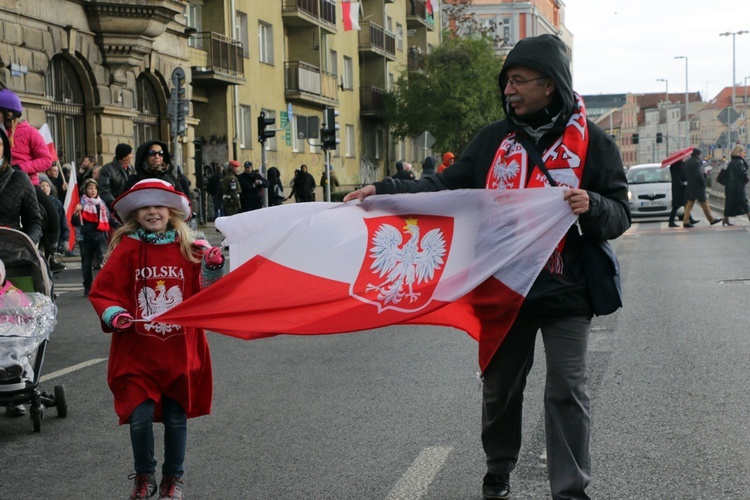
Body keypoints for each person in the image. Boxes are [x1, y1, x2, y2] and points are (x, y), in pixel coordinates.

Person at [344, 34, 630, 500]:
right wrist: (385, 190)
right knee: (501, 390)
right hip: (504, 287)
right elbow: (445, 186)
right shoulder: (493, 140)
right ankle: (499, 470)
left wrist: (593, 204)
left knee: (568, 391)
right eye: (507, 82)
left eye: (519, 80)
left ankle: (571, 491)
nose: (510, 90)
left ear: (550, 85)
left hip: (567, 290)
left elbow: (619, 214)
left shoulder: (594, 144)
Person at [88, 178, 224, 500]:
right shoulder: (127, 249)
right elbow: (104, 292)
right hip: (137, 351)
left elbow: (206, 292)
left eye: (158, 205)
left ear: (171, 211)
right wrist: (115, 314)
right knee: (139, 416)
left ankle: (172, 479)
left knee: (176, 418)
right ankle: (144, 475)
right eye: (145, 207)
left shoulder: (188, 248)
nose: (152, 211)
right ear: (135, 214)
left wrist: (212, 267)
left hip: (178, 349)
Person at [0, 125, 43, 418]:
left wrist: (27, 245)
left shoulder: (18, 180)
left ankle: (14, 383)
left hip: (12, 260)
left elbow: (34, 219)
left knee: (14, 326)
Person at [0, 88, 60, 264]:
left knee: (51, 214)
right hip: (3, 180)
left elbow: (46, 160)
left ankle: (52, 253)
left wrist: (21, 168)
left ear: (8, 113)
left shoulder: (31, 133)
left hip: (25, 183)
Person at [72, 178, 109, 296]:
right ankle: (87, 286)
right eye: (90, 188)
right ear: (85, 190)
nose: (92, 191)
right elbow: (74, 222)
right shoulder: (80, 203)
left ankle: (103, 286)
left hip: (100, 236)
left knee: (103, 262)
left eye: (94, 188)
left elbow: (108, 218)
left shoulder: (100, 203)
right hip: (85, 237)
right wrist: (77, 213)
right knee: (86, 264)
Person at [123, 140, 190, 196]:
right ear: (145, 156)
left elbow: (183, 201)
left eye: (161, 153)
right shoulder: (134, 180)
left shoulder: (171, 179)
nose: (157, 156)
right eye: (152, 153)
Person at [682, 148, 721, 228]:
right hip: (698, 186)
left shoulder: (688, 162)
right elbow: (699, 175)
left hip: (691, 186)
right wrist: (704, 178)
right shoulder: (697, 162)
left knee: (689, 204)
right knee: (704, 203)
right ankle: (711, 220)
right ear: (698, 154)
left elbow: (685, 174)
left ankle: (685, 221)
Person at [39, 178, 69, 272]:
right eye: (42, 186)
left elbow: (63, 222)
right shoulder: (34, 202)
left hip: (52, 236)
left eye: (47, 186)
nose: (45, 188)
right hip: (39, 236)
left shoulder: (57, 203)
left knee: (49, 261)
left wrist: (65, 239)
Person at [99, 143, 135, 210]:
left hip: (130, 206)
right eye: (130, 154)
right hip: (114, 208)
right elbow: (104, 191)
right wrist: (115, 204)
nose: (133, 156)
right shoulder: (108, 169)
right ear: (124, 157)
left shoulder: (131, 169)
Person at [722, 144, 750, 226]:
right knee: (744, 202)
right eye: (743, 151)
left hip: (730, 186)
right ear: (740, 152)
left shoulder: (732, 162)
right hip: (737, 186)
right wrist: (747, 179)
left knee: (729, 203)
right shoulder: (739, 162)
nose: (744, 153)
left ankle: (725, 218)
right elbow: (742, 174)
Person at [667, 160, 698, 227]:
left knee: (684, 204)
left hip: (678, 188)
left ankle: (689, 219)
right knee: (677, 205)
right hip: (680, 188)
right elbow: (681, 175)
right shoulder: (678, 165)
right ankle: (671, 222)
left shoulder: (674, 165)